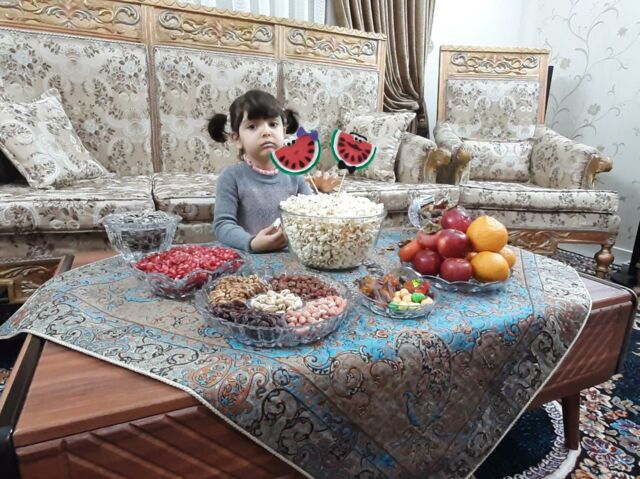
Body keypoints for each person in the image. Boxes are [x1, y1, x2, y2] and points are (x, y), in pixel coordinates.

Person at [208, 90, 312, 252]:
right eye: (252, 126)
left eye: (273, 124)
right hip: (247, 256)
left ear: (284, 131)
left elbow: (312, 215)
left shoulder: (296, 175)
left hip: (289, 256)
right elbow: (222, 225)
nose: (266, 132)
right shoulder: (231, 177)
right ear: (237, 139)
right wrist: (251, 243)